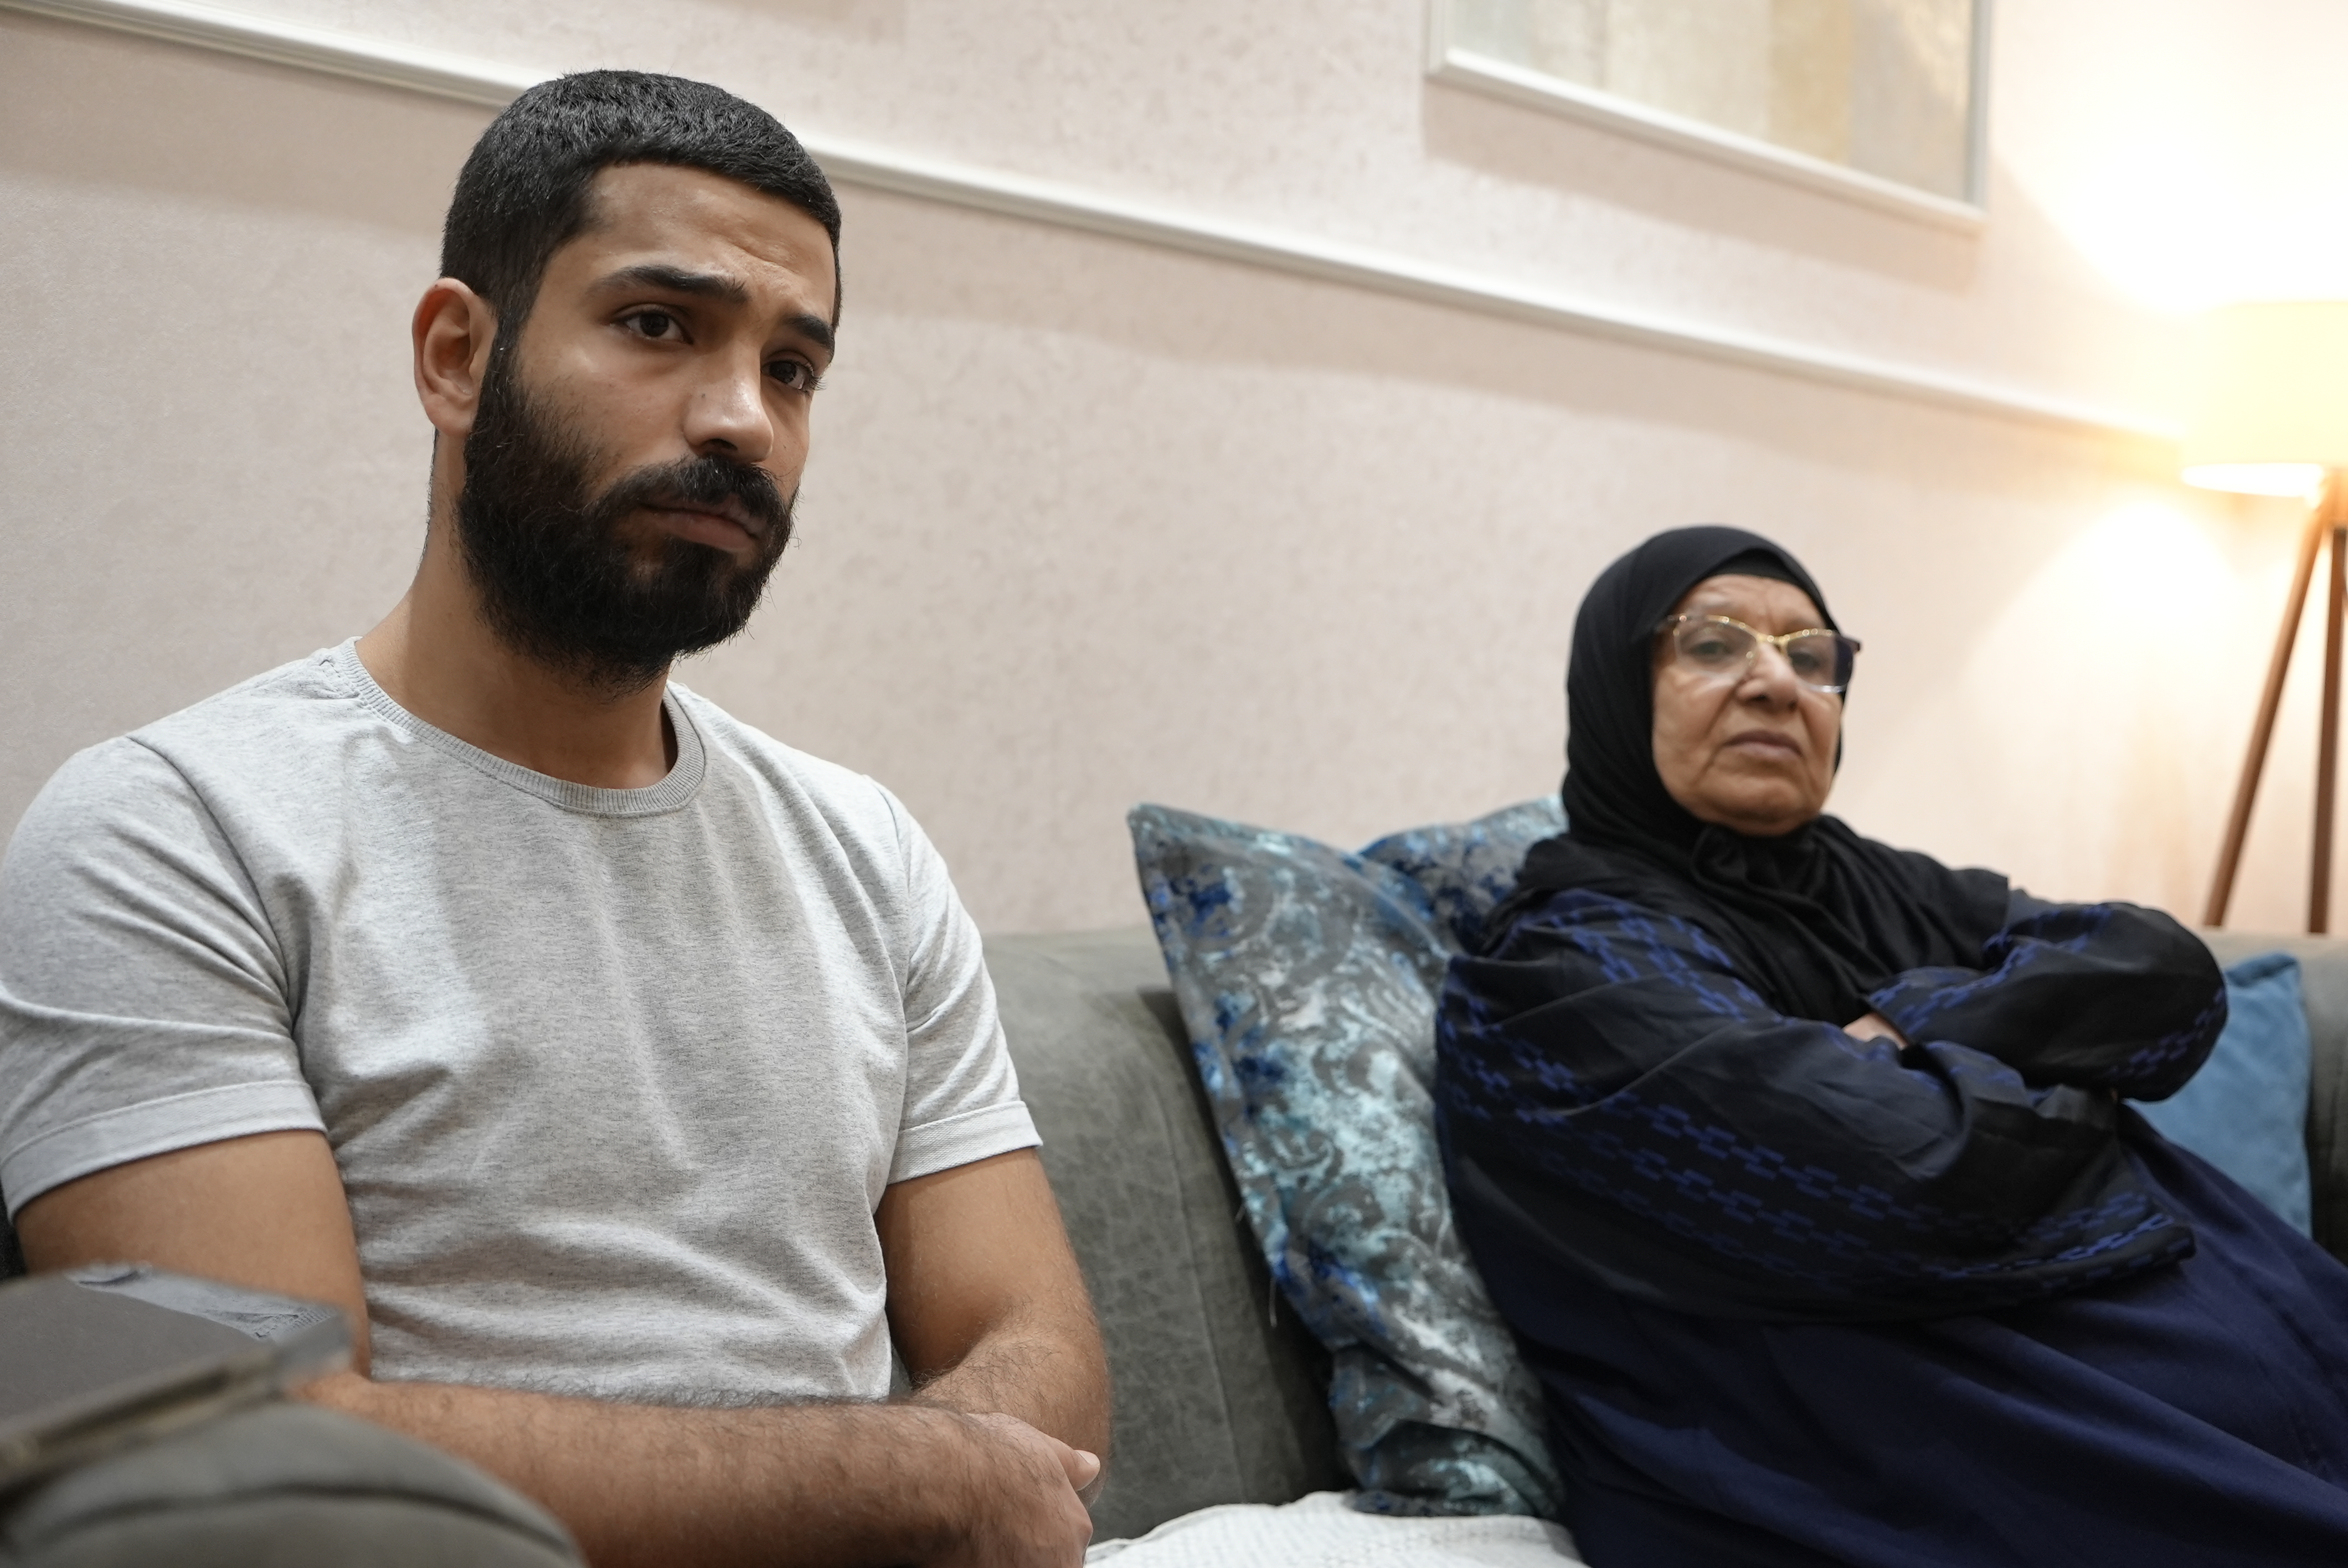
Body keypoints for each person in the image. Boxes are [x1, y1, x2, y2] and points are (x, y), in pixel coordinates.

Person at [0, 71, 1107, 1567]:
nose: (742, 421)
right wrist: (920, 1477)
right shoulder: (171, 834)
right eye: (661, 327)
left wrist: (959, 1475)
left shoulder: (866, 849)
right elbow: (251, 1446)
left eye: (794, 369)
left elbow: (1037, 1336)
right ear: (459, 355)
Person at [1435, 526, 2348, 1567]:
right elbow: (1908, 1175)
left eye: (1811, 655)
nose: (1777, 683)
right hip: (1867, 1459)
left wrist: (1918, 1026)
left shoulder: (1868, 886)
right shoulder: (1558, 975)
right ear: (1613, 686)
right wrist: (2060, 1059)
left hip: (2202, 1365)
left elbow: (2167, 979)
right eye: (1714, 643)